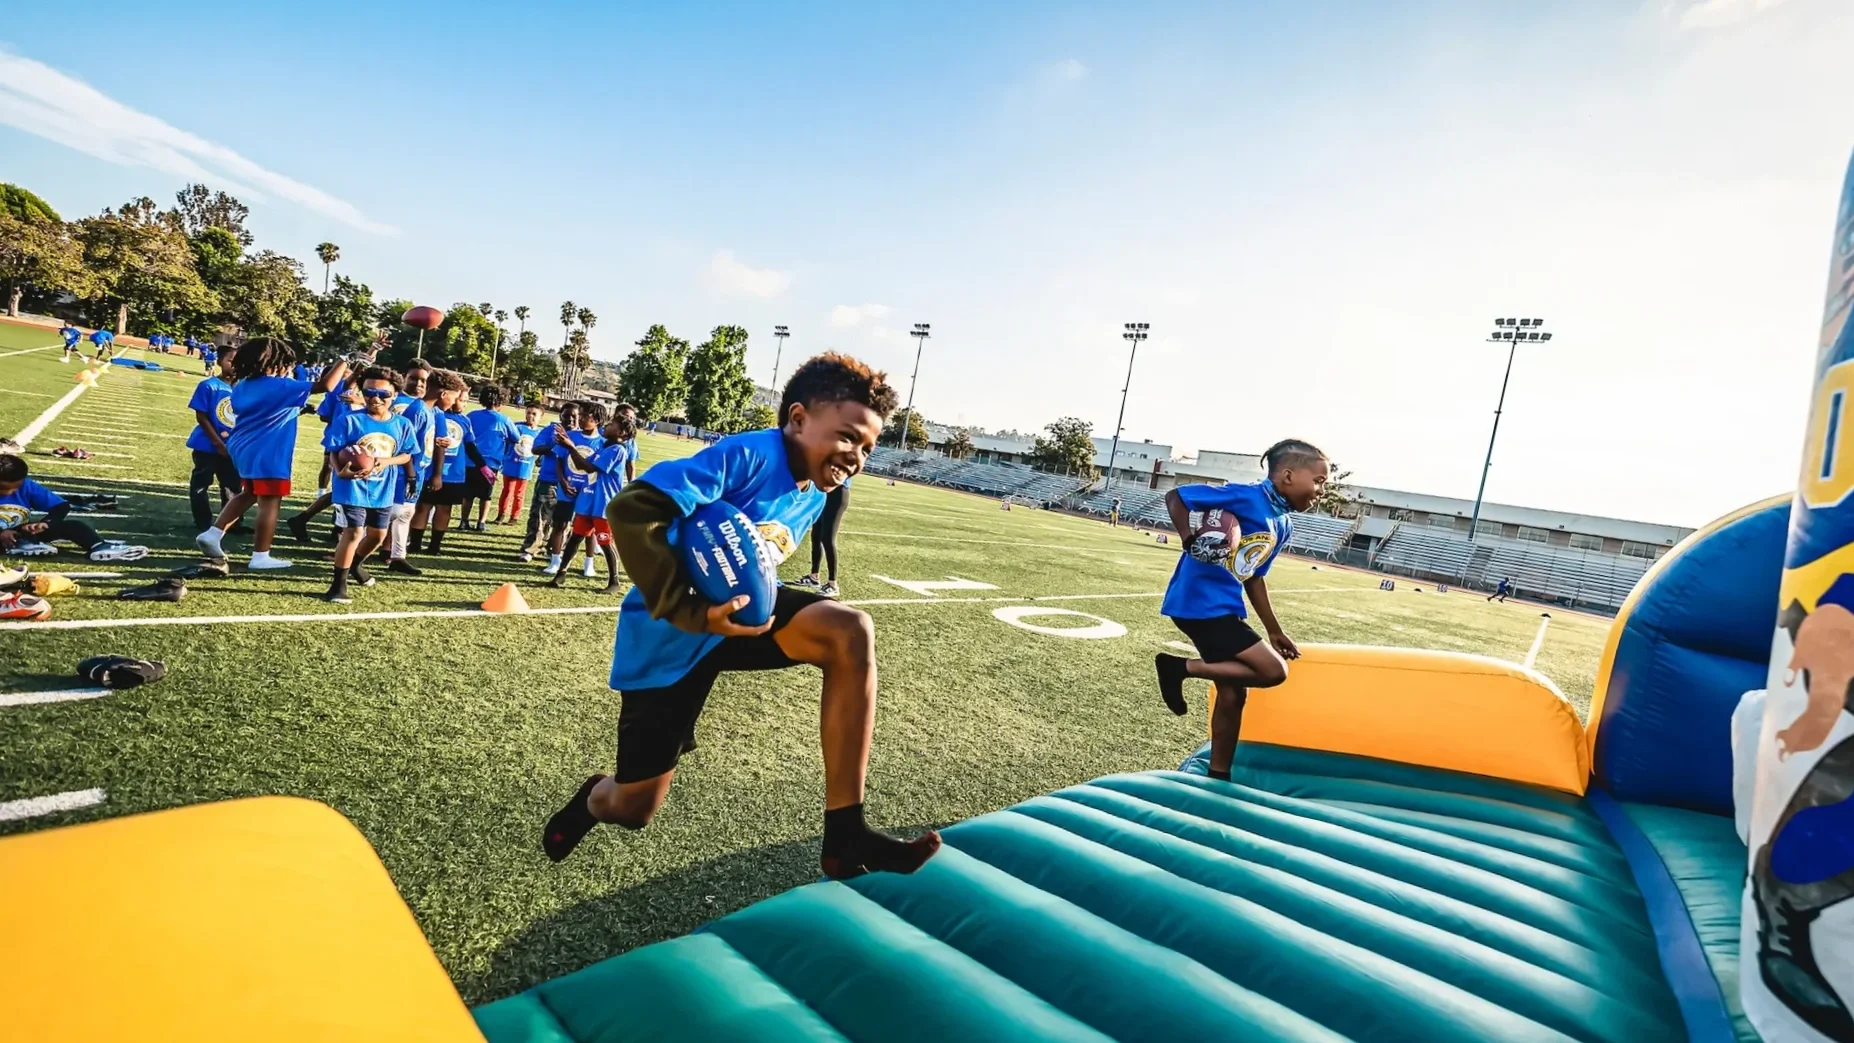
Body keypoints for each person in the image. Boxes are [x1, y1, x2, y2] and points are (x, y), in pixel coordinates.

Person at [540, 353, 942, 880]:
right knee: (633, 809)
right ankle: (594, 797)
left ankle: (846, 831)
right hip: (669, 636)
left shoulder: (815, 496)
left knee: (850, 631)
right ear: (798, 419)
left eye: (868, 447)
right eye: (847, 437)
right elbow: (632, 509)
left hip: (736, 624)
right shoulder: (749, 455)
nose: (856, 457)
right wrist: (688, 608)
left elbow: (754, 568)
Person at [1152, 438, 1329, 782]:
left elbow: (1254, 578)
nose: (1321, 490)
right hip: (1199, 602)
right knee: (1273, 671)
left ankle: (1219, 774)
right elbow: (1177, 496)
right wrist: (1188, 537)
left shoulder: (1283, 523)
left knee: (1233, 693)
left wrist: (1274, 630)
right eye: (1318, 481)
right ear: (1288, 475)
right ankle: (1177, 668)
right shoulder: (1247, 496)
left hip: (1224, 607)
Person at [195, 338, 354, 569]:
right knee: (270, 500)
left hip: (243, 447)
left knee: (248, 493)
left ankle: (213, 533)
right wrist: (344, 359)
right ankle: (261, 555)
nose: (289, 368)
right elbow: (327, 386)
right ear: (274, 363)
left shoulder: (243, 384)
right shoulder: (279, 385)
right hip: (267, 450)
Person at [322, 368, 419, 604]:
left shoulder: (402, 424)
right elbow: (333, 452)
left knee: (377, 535)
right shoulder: (350, 420)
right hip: (351, 487)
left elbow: (406, 455)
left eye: (383, 394)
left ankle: (355, 564)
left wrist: (386, 461)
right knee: (354, 532)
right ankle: (338, 585)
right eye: (369, 392)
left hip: (382, 489)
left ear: (395, 394)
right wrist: (339, 471)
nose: (375, 398)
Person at [548, 410, 636, 593]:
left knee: (605, 541)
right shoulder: (603, 448)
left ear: (622, 433)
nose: (607, 426)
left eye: (612, 425)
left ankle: (614, 581)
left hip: (604, 503)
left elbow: (589, 467)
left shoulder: (617, 450)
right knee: (575, 537)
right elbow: (581, 465)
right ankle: (561, 573)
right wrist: (570, 447)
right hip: (589, 499)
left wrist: (571, 446)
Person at [0, 455, 147, 561]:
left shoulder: (26, 485)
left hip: (18, 532)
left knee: (73, 526)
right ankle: (20, 546)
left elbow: (61, 506)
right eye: (4, 488)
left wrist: (46, 523)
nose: (11, 492)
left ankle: (98, 546)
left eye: (16, 487)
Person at [410, 371, 490, 556]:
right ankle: (414, 544)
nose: (459, 403)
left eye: (463, 401)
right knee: (422, 506)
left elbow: (470, 445)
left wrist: (482, 466)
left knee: (444, 508)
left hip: (454, 473)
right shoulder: (434, 413)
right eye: (460, 399)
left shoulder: (464, 420)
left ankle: (435, 546)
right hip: (428, 471)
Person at [286, 372, 364, 544]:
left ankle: (305, 520)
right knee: (346, 487)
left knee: (344, 489)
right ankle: (338, 529)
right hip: (342, 443)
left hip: (357, 443)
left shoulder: (364, 394)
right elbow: (324, 413)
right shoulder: (340, 390)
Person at [378, 362, 436, 576]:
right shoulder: (395, 400)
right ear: (404, 377)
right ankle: (351, 551)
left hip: (413, 468)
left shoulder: (429, 407)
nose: (419, 383)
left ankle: (395, 554)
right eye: (414, 378)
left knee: (402, 513)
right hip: (390, 466)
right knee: (385, 512)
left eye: (423, 380)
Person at [541, 401, 606, 577]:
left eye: (586, 416)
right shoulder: (570, 435)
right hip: (567, 489)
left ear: (598, 420)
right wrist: (562, 482)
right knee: (560, 524)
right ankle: (555, 561)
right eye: (581, 415)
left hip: (589, 492)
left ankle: (589, 563)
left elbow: (597, 470)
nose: (582, 419)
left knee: (588, 529)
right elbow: (559, 462)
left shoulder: (603, 443)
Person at [185, 344, 242, 530]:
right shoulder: (209, 385)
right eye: (230, 361)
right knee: (201, 484)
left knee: (232, 486)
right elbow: (201, 416)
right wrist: (218, 444)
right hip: (207, 446)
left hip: (233, 448)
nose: (235, 365)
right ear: (219, 362)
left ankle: (230, 523)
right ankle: (203, 522)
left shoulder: (245, 389)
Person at [521, 402, 578, 562]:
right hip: (548, 480)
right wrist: (554, 443)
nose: (570, 419)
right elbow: (535, 449)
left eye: (574, 416)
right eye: (566, 415)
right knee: (539, 517)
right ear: (560, 416)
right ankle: (530, 548)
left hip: (571, 484)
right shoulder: (550, 430)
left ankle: (555, 550)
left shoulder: (580, 435)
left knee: (564, 521)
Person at [463, 385, 518, 531]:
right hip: (490, 464)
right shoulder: (504, 420)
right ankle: (481, 523)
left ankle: (464, 521)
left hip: (470, 460)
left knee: (468, 495)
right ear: (501, 402)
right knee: (485, 495)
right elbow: (516, 437)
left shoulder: (472, 415)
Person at [792, 478, 849, 598]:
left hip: (837, 492)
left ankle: (833, 584)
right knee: (816, 536)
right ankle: (814, 577)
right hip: (823, 492)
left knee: (827, 539)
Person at [497, 404, 543, 525]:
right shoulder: (517, 427)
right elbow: (506, 441)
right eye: (528, 413)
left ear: (540, 417)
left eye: (534, 414)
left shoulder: (539, 433)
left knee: (519, 494)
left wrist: (540, 459)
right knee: (507, 491)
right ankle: (501, 515)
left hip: (526, 466)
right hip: (511, 464)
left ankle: (514, 517)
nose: (530, 416)